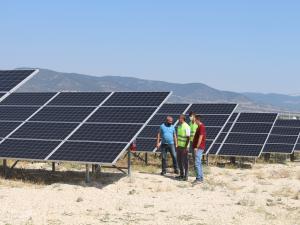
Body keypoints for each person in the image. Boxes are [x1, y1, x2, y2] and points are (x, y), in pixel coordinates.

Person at [192, 115, 206, 183]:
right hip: (199, 147)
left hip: (199, 148)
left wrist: (196, 147)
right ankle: (200, 177)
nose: (194, 121)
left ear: (197, 120)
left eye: (195, 119)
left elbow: (200, 137)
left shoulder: (201, 127)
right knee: (199, 163)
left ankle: (199, 178)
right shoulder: (199, 127)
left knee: (197, 163)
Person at [176, 114, 191, 181]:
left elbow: (188, 138)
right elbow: (178, 136)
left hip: (184, 147)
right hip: (179, 146)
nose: (179, 119)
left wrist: (185, 147)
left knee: (185, 162)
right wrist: (177, 145)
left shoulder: (187, 126)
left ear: (183, 119)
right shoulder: (179, 126)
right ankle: (181, 174)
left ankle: (186, 176)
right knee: (179, 161)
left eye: (180, 118)